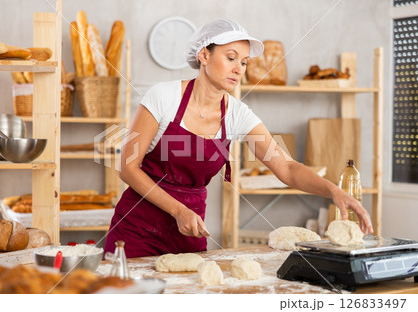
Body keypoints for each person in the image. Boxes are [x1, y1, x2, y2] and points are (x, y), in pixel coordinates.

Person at [104, 19, 373, 258]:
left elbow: (287, 168)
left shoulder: (238, 114)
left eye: (244, 62)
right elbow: (128, 167)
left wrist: (333, 190)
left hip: (189, 234)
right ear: (204, 56)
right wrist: (177, 210)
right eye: (231, 58)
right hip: (135, 232)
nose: (239, 68)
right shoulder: (163, 97)